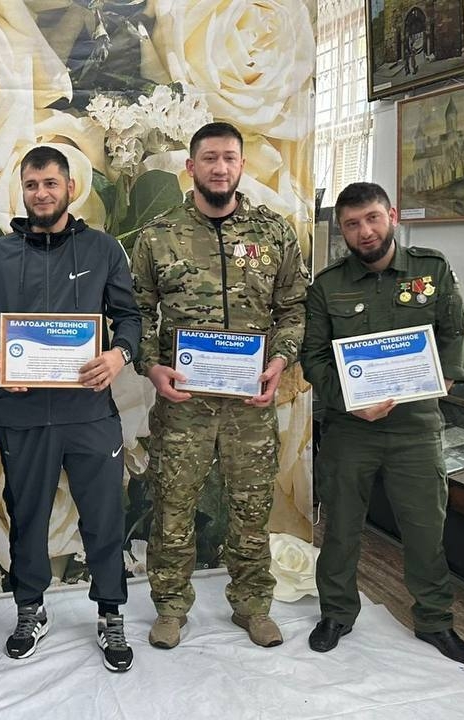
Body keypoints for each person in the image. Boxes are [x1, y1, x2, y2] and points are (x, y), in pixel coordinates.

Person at [131, 122, 309, 650]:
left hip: (249, 405)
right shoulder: (158, 235)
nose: (220, 167)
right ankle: (170, 607)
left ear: (241, 166)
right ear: (191, 167)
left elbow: (294, 309)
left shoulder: (273, 233)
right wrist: (151, 366)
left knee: (251, 509)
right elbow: (137, 313)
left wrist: (280, 360)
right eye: (209, 158)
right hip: (183, 405)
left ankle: (253, 605)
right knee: (173, 509)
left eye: (229, 158)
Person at [0, 146, 142, 673]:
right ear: (21, 191)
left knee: (104, 519)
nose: (41, 193)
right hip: (21, 415)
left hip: (89, 412)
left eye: (50, 183)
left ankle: (110, 612)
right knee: (27, 518)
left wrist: (119, 354)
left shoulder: (103, 248)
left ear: (70, 187)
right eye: (31, 185)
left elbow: (129, 317)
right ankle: (30, 609)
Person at [299, 181, 464, 663]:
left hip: (415, 427)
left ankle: (435, 619)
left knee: (425, 529)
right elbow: (313, 358)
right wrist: (348, 402)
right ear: (342, 230)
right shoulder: (327, 286)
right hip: (351, 429)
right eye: (352, 224)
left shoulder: (430, 270)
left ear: (391, 215)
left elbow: (454, 331)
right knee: (341, 529)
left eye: (373, 218)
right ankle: (336, 613)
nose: (365, 231)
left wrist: (446, 377)